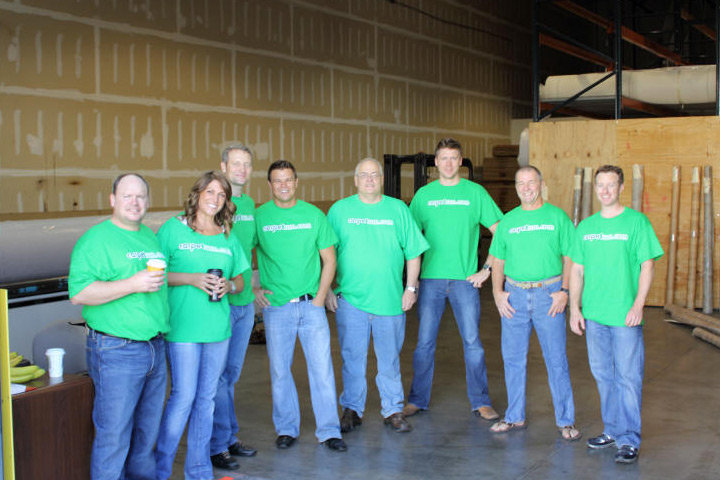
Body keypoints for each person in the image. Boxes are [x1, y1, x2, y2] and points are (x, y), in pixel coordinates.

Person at [69, 173, 169, 480]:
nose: (134, 202)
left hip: (154, 346)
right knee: (114, 436)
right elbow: (79, 293)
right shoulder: (95, 240)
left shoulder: (149, 236)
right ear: (113, 200)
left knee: (146, 434)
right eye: (127, 196)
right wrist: (132, 284)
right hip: (117, 350)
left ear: (148, 201)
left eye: (140, 196)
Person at [155, 171, 249, 480]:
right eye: (210, 192)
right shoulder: (173, 229)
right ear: (197, 194)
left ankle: (198, 470)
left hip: (217, 329)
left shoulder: (227, 235)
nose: (215, 199)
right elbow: (155, 275)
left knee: (206, 400)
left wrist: (228, 286)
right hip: (183, 329)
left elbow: (240, 280)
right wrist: (191, 279)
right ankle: (161, 470)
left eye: (221, 194)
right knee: (183, 397)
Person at [326, 158, 429, 434]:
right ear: (355, 179)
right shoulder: (339, 211)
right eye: (364, 175)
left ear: (382, 179)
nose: (369, 179)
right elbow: (324, 253)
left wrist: (411, 288)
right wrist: (327, 290)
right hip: (351, 300)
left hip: (390, 300)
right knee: (352, 359)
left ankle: (393, 410)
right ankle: (352, 409)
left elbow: (414, 252)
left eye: (374, 174)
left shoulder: (398, 209)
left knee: (389, 360)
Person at [569, 165, 663, 464]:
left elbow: (647, 265)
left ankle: (629, 439)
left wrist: (638, 305)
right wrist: (574, 308)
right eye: (601, 185)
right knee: (603, 375)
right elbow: (577, 270)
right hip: (595, 315)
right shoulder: (586, 227)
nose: (605, 190)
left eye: (611, 185)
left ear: (621, 187)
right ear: (595, 188)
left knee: (628, 377)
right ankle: (612, 430)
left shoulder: (637, 222)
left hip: (625, 316)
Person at [403, 138, 503, 420]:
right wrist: (411, 281)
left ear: (460, 161)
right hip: (430, 280)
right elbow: (409, 239)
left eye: (453, 158)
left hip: (465, 281)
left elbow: (501, 232)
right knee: (424, 343)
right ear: (436, 162)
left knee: (473, 343)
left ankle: (481, 401)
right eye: (443, 158)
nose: (448, 163)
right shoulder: (424, 195)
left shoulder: (475, 193)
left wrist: (487, 268)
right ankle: (417, 400)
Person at [254, 160, 347, 452]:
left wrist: (320, 298)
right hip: (277, 307)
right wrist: (254, 288)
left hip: (311, 306)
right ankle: (286, 429)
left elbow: (329, 259)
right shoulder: (259, 217)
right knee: (280, 371)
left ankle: (329, 431)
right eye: (277, 181)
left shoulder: (313, 215)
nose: (283, 185)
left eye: (288, 180)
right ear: (270, 185)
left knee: (322, 370)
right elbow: (240, 252)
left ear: (296, 182)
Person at [488, 166, 579, 440]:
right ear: (516, 187)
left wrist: (564, 291)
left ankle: (566, 421)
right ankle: (514, 416)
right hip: (514, 296)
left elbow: (570, 257)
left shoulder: (557, 217)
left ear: (541, 184)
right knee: (513, 359)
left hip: (548, 295)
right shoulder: (508, 221)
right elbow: (498, 261)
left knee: (556, 359)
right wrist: (497, 293)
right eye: (521, 183)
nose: (526, 188)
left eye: (531, 182)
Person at [210, 144, 258, 471]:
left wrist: (257, 286)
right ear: (224, 166)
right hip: (220, 304)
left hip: (244, 303)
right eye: (236, 163)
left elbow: (253, 249)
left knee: (230, 376)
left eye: (247, 164)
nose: (241, 169)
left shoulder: (251, 205)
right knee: (217, 377)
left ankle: (227, 437)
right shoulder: (214, 203)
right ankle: (218, 444)